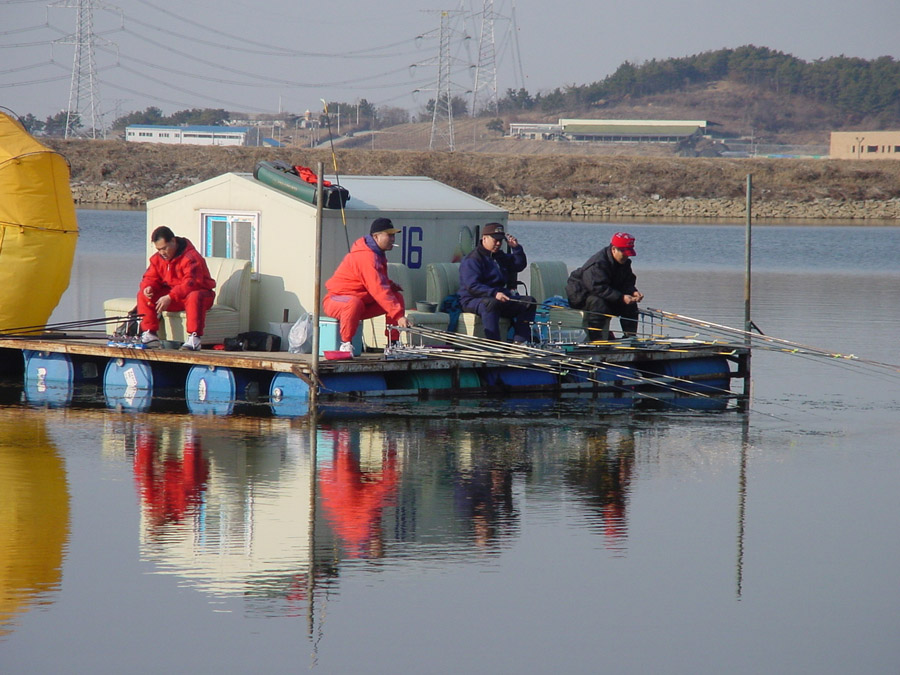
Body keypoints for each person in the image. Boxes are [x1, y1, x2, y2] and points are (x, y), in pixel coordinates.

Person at [323, 217, 411, 355]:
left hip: (361, 304)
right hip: (336, 301)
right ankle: (345, 344)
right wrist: (399, 316)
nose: (393, 239)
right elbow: (378, 288)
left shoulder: (377, 254)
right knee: (353, 303)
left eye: (393, 235)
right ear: (376, 237)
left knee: (397, 298)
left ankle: (393, 344)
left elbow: (379, 281)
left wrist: (391, 286)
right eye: (389, 235)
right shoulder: (367, 257)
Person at [137, 226, 216, 351]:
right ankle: (150, 333)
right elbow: (150, 277)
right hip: (176, 297)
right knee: (143, 294)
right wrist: (148, 287)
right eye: (159, 249)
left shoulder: (191, 257)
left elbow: (191, 283)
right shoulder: (157, 259)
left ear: (173, 241)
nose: (162, 253)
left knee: (194, 296)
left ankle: (194, 338)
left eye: (164, 248)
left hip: (201, 295)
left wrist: (170, 296)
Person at [458, 222, 536, 342]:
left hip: (499, 297)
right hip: (473, 299)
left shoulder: (499, 256)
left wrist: (516, 248)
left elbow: (518, 265)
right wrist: (494, 293)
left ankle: (520, 342)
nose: (498, 244)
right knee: (491, 303)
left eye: (500, 240)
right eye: (495, 240)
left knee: (529, 302)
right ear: (484, 238)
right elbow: (472, 286)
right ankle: (494, 343)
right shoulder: (472, 259)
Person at [566, 232, 644, 339]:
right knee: (599, 303)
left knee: (631, 305)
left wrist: (633, 292)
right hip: (581, 297)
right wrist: (621, 297)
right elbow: (597, 288)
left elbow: (627, 282)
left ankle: (630, 338)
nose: (626, 256)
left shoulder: (624, 263)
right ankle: (597, 339)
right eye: (624, 253)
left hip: (605, 294)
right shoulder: (598, 263)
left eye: (628, 253)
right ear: (614, 249)